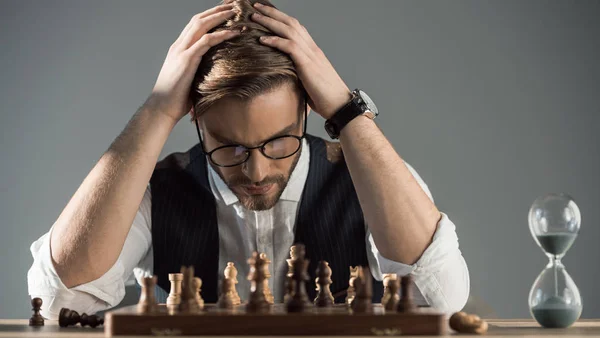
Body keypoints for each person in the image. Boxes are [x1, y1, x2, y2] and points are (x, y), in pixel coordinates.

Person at [27, 0, 469, 320]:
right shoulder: (154, 193)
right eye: (230, 146)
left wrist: (346, 110)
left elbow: (442, 297)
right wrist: (157, 109)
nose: (256, 172)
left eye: (278, 142)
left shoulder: (371, 181)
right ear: (196, 118)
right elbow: (59, 300)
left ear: (307, 110)